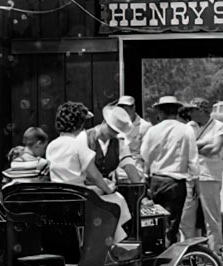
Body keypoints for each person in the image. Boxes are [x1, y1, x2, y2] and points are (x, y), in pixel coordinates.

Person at [46, 101, 135, 257]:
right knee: (113, 203)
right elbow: (93, 174)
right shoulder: (77, 145)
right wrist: (108, 188)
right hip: (79, 198)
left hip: (60, 196)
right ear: (80, 125)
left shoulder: (52, 145)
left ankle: (114, 243)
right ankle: (116, 245)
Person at [140, 96, 198, 242]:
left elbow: (144, 155)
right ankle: (170, 253)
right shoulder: (186, 130)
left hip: (156, 180)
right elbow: (193, 159)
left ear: (160, 112)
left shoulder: (153, 131)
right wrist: (196, 182)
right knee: (172, 223)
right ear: (177, 111)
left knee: (154, 221)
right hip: (175, 182)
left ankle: (156, 251)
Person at [179, 99, 223, 252]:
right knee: (186, 217)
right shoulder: (188, 127)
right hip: (190, 176)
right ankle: (186, 252)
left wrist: (194, 146)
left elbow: (215, 149)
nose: (189, 113)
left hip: (210, 176)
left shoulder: (219, 126)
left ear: (201, 111)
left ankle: (216, 251)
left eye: (192, 110)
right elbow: (183, 147)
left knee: (211, 218)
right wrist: (204, 144)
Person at [85, 104, 144, 184]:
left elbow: (128, 165)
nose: (113, 134)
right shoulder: (85, 137)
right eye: (112, 129)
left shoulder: (118, 143)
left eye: (117, 132)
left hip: (108, 188)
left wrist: (138, 186)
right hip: (85, 188)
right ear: (104, 122)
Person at [117, 95, 152, 175]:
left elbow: (147, 154)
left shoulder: (144, 126)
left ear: (133, 108)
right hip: (118, 171)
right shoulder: (115, 126)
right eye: (121, 108)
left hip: (137, 170)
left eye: (127, 108)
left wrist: (145, 174)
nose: (124, 111)